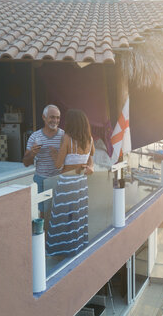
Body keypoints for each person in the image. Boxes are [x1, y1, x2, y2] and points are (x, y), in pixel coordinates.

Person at [45, 109, 94, 257]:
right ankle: (76, 247)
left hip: (67, 184)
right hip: (81, 184)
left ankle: (59, 251)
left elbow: (58, 165)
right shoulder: (90, 139)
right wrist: (89, 167)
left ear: (71, 123)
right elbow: (91, 158)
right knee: (77, 217)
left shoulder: (67, 138)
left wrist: (54, 154)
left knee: (60, 218)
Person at [23, 105, 63, 218]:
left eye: (58, 117)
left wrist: (58, 157)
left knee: (60, 213)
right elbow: (26, 162)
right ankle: (44, 235)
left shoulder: (64, 136)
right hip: (41, 180)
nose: (55, 120)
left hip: (59, 179)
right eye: (52, 117)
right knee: (43, 214)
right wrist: (33, 153)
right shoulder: (34, 137)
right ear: (43, 117)